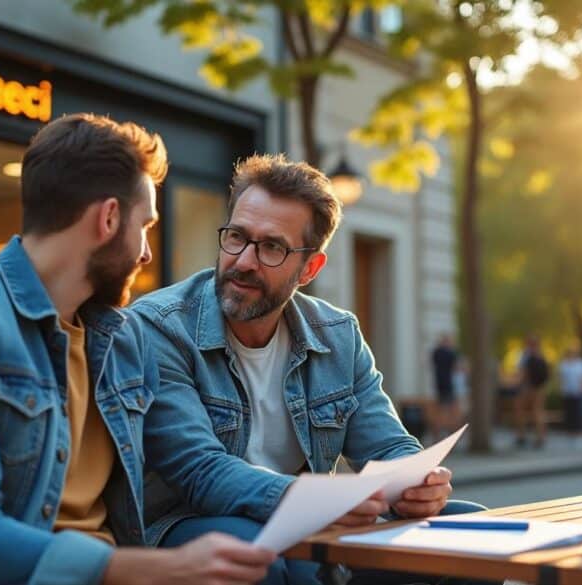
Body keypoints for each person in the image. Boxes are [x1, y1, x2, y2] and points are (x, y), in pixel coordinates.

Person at [0, 114, 275, 585]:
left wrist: (319, 500)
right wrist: (157, 569)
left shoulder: (125, 340)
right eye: (143, 225)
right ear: (108, 218)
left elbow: (198, 465)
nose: (146, 253)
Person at [132, 154, 489, 585]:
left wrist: (420, 484)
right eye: (237, 237)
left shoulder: (337, 335)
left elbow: (388, 447)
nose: (244, 260)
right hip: (189, 522)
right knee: (265, 557)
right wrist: (314, 500)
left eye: (271, 247)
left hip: (311, 520)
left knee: (474, 534)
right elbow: (199, 471)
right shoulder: (161, 326)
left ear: (309, 268)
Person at [514, 335, 550, 449]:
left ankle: (522, 436)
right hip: (540, 388)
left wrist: (518, 384)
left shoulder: (526, 356)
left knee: (522, 411)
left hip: (528, 388)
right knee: (538, 412)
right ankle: (540, 437)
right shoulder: (542, 356)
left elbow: (522, 373)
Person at [558, 348, 582, 449]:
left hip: (579, 393)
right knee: (569, 414)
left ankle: (580, 435)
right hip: (568, 393)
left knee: (580, 414)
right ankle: (570, 435)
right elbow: (561, 378)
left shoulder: (581, 364)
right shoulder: (564, 364)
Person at [430, 333, 460, 439]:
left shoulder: (436, 353)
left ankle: (437, 434)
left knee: (439, 410)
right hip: (448, 385)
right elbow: (457, 367)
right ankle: (451, 433)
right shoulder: (450, 353)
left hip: (439, 384)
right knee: (451, 410)